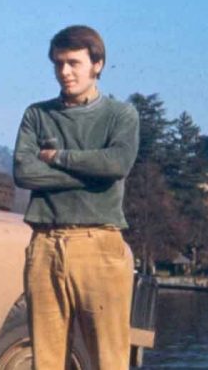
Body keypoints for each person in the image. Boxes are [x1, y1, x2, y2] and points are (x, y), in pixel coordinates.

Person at [12, 25, 140, 370]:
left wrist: (59, 157)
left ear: (97, 64)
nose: (64, 72)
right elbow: (24, 172)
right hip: (45, 245)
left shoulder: (120, 115)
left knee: (108, 359)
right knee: (46, 360)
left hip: (99, 243)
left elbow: (116, 164)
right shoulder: (37, 114)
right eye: (58, 64)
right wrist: (89, 172)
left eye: (73, 63)